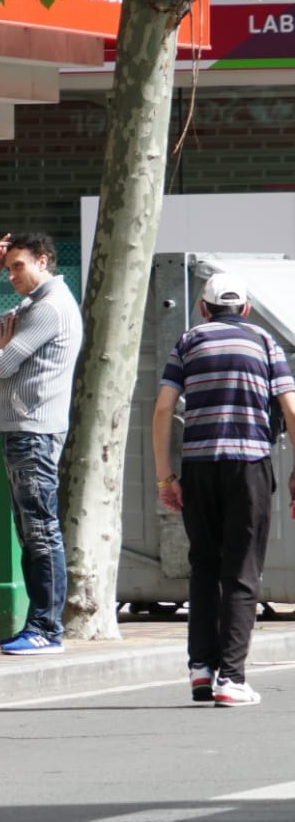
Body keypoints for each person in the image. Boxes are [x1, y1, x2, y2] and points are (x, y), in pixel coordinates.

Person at [152, 271, 295, 707]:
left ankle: (201, 669)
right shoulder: (264, 343)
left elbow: (162, 409)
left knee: (204, 565)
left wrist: (165, 476)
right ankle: (231, 678)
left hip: (198, 466)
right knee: (241, 572)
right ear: (246, 309)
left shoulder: (188, 342)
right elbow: (290, 408)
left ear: (204, 307)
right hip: (248, 466)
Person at [0, 232, 85, 655]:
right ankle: (39, 624)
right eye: (10, 267)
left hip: (33, 429)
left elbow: (0, 363)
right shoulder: (31, 305)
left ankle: (47, 628)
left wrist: (3, 350)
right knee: (31, 529)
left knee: (40, 529)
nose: (13, 275)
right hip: (22, 427)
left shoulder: (49, 307)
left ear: (44, 261)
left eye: (19, 267)